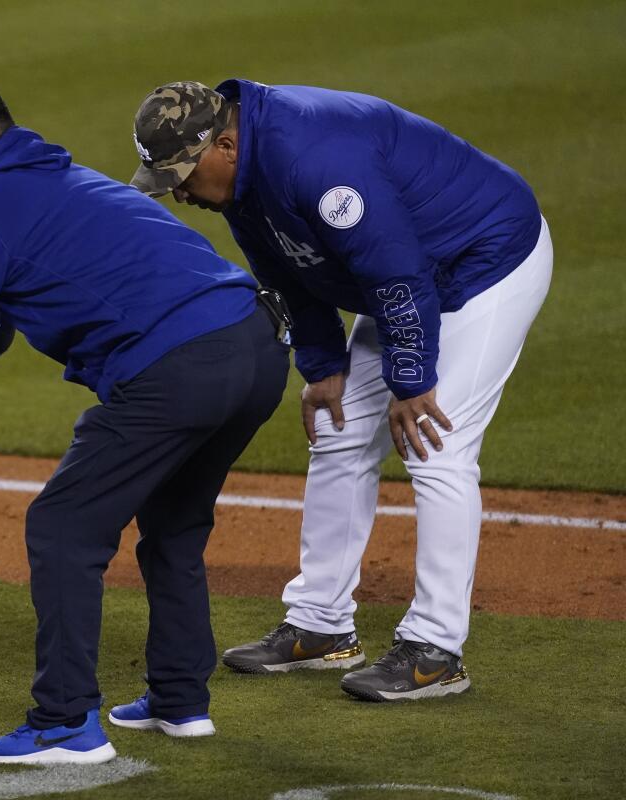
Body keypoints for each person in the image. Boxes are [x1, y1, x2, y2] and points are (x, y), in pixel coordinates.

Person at [0, 86, 290, 763]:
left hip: (181, 364)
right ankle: (179, 699)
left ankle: (65, 722)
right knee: (174, 524)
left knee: (63, 526)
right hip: (257, 345)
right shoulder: (63, 177)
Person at [129, 80, 551, 701]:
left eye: (184, 175)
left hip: (483, 260)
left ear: (224, 143)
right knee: (339, 427)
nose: (181, 193)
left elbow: (395, 269)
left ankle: (436, 649)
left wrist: (411, 379)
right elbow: (285, 269)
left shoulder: (314, 159)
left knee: (434, 445)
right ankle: (321, 623)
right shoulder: (242, 177)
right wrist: (323, 364)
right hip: (405, 277)